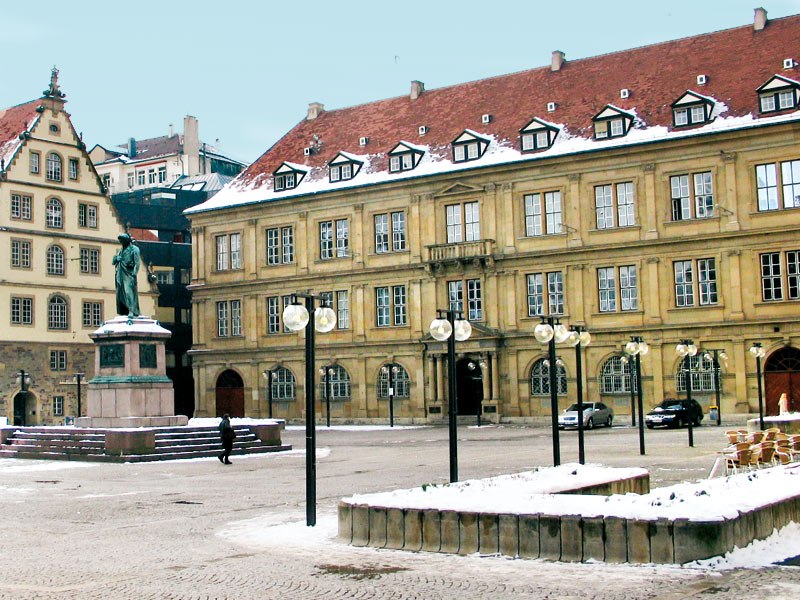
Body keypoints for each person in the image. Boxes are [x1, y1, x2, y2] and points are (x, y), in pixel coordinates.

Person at [112, 233, 141, 317]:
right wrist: (116, 258)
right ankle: (124, 311)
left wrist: (134, 274)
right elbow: (113, 262)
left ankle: (132, 310)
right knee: (120, 293)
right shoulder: (120, 251)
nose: (121, 242)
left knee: (128, 292)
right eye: (120, 241)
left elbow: (137, 263)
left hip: (129, 274)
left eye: (122, 240)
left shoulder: (134, 249)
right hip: (120, 273)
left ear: (127, 240)